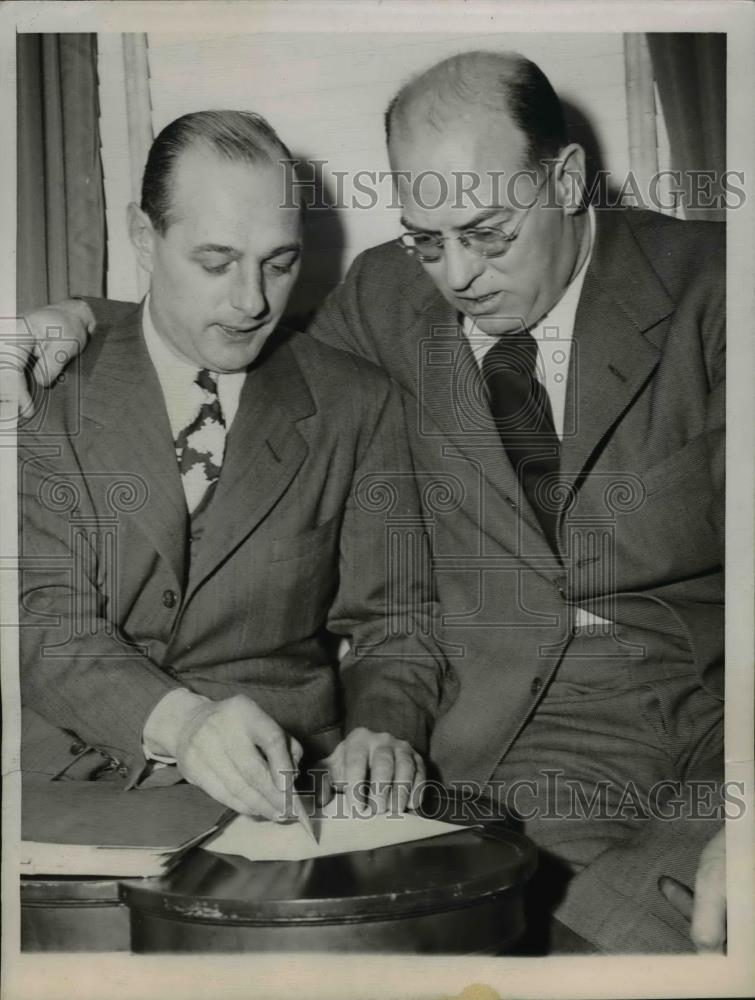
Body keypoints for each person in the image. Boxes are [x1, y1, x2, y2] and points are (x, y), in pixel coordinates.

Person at [16, 52, 726, 953]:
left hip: (706, 738)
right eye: (427, 239)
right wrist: (77, 316)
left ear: (567, 179)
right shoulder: (391, 294)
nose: (456, 275)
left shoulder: (715, 290)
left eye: (487, 233)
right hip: (499, 749)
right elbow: (232, 340)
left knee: (640, 932)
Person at [17, 109, 453, 823]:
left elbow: (397, 624)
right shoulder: (46, 385)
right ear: (142, 237)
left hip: (282, 796)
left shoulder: (357, 404)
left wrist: (384, 729)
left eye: (279, 264)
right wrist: (182, 723)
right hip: (58, 786)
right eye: (216, 263)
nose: (252, 303)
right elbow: (39, 618)